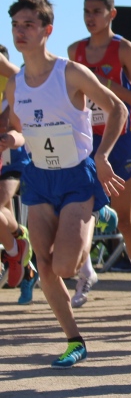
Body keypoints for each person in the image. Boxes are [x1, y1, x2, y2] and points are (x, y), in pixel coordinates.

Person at [2, 0, 127, 367]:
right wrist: (13, 139)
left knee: (65, 267)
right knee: (43, 263)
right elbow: (22, 130)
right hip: (39, 178)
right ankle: (75, 340)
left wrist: (102, 156)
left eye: (28, 25)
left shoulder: (70, 72)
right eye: (16, 25)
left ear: (47, 30)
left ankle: (96, 214)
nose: (20, 31)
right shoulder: (15, 85)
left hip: (76, 176)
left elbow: (117, 108)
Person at [68, 0, 131, 318]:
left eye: (97, 11)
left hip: (119, 141)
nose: (91, 17)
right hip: (84, 142)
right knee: (76, 208)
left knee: (126, 217)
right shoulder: (74, 51)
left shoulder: (124, 49)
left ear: (111, 14)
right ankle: (86, 271)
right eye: (86, 11)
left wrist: (107, 88)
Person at [0, 47, 33, 293]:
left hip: (15, 159)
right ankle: (25, 265)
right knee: (3, 218)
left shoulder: (14, 82)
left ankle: (17, 245)